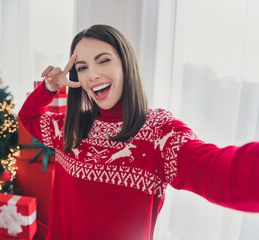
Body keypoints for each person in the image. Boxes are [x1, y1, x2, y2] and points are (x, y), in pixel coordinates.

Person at [18, 24, 259, 240]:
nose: (92, 74)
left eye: (103, 60)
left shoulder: (159, 133)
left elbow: (225, 173)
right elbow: (28, 116)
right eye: (82, 68)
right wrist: (49, 86)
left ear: (126, 64)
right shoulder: (70, 128)